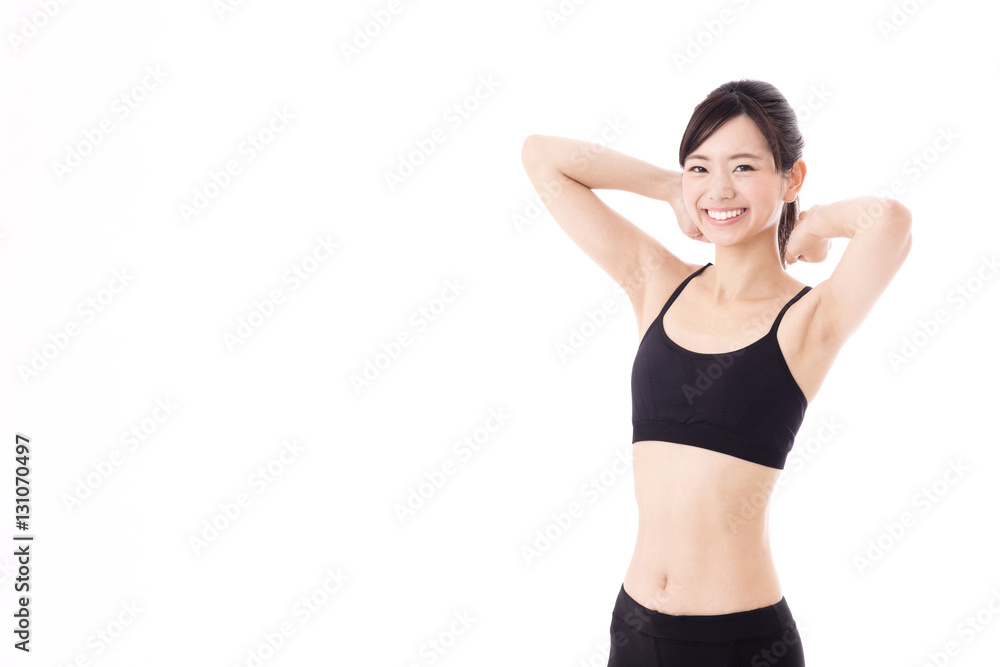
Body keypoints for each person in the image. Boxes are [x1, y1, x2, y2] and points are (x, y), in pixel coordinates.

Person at [519, 79, 912, 666]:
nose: (719, 189)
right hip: (633, 630)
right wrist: (670, 190)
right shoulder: (656, 283)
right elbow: (542, 157)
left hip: (740, 644)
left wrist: (813, 223)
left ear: (791, 178)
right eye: (700, 168)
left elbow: (892, 221)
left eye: (745, 166)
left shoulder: (808, 320)